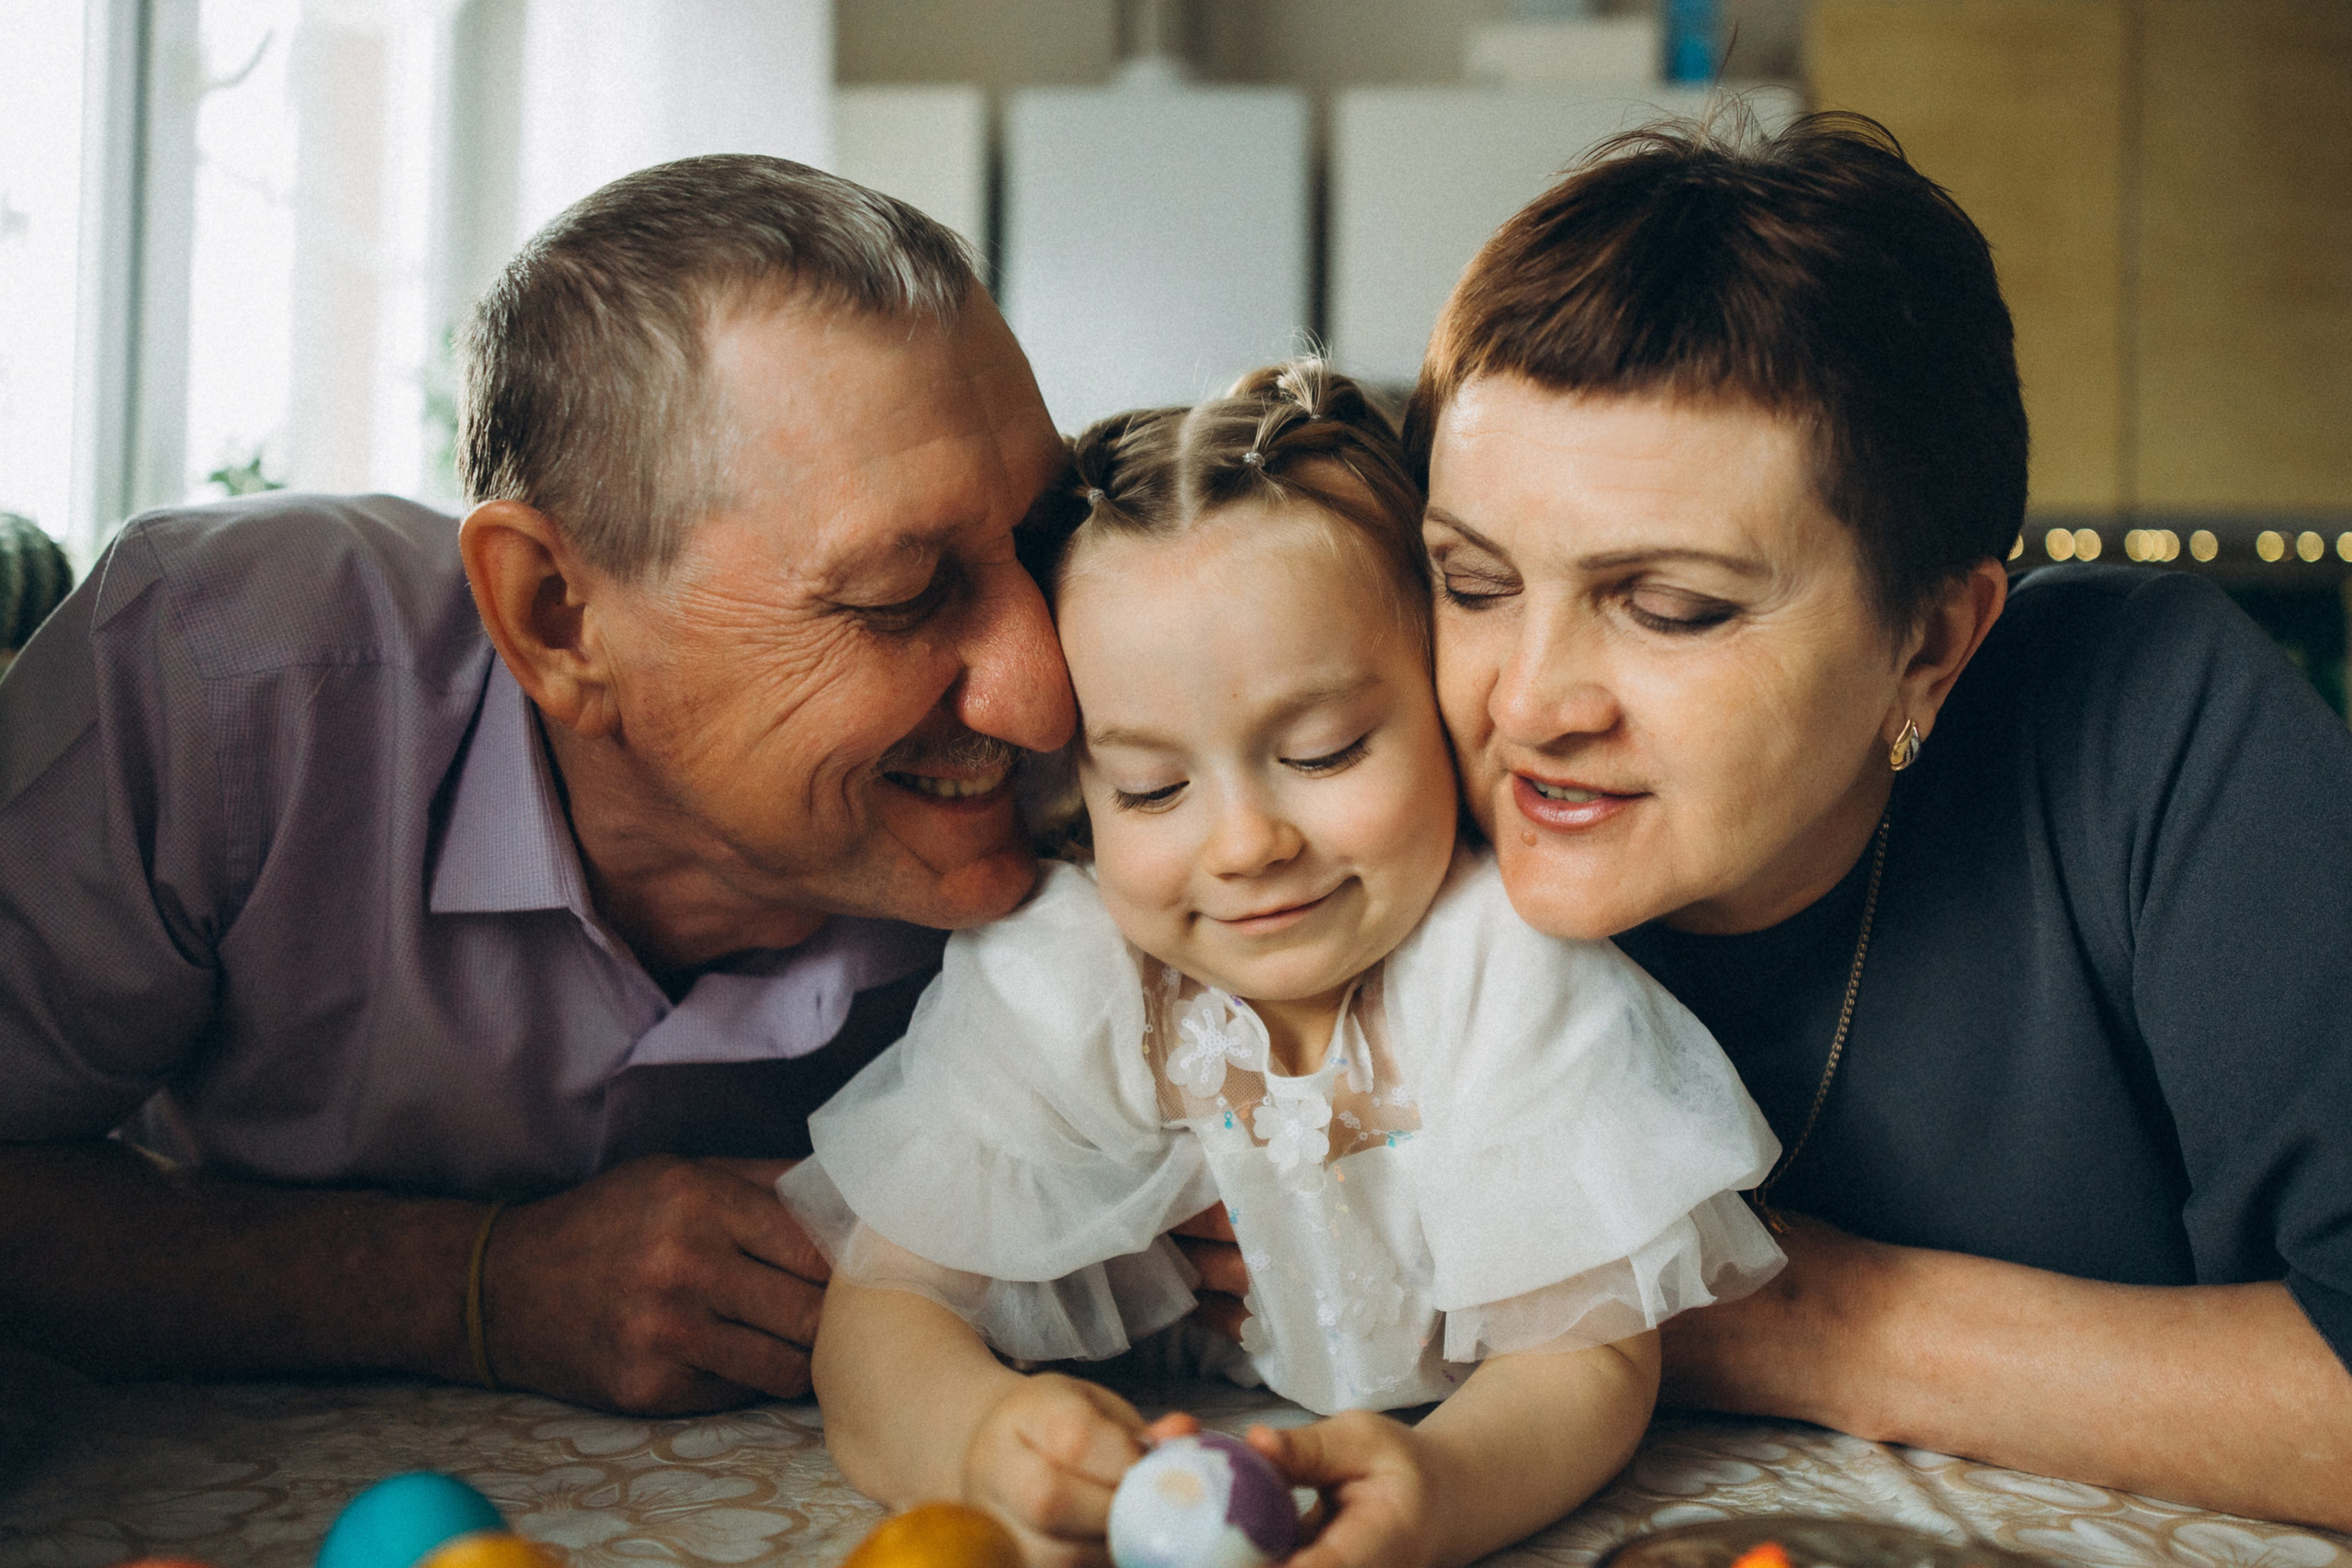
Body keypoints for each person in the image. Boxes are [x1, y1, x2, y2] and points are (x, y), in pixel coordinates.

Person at [1391, 110, 2352, 1528]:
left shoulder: (2153, 724)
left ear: (1931, 643)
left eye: (1673, 609)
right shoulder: (1345, 769)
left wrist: (1801, 1317)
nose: (1528, 703)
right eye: (1472, 582)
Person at [0, 155, 1076, 1414]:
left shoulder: (1159, 732)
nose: (1048, 696)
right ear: (557, 616)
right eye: (901, 596)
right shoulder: (222, 677)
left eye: (1046, 544)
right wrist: (473, 1286)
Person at [780, 363, 1787, 1568]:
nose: (1250, 844)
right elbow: (879, 1319)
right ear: (1078, 796)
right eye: (1152, 787)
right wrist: (985, 1438)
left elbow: (1585, 1358)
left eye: (1324, 751)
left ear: (1442, 699)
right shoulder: (1064, 970)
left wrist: (1443, 1486)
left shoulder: (1506, 967)